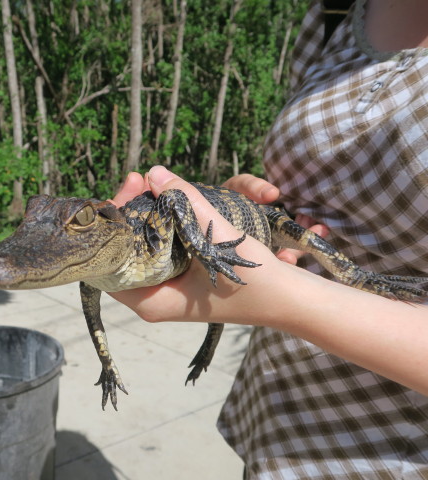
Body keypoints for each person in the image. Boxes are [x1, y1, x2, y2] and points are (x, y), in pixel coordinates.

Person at [110, 0, 428, 478]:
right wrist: (248, 210)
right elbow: (316, 189)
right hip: (278, 417)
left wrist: (286, 300)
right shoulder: (337, 12)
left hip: (384, 451)